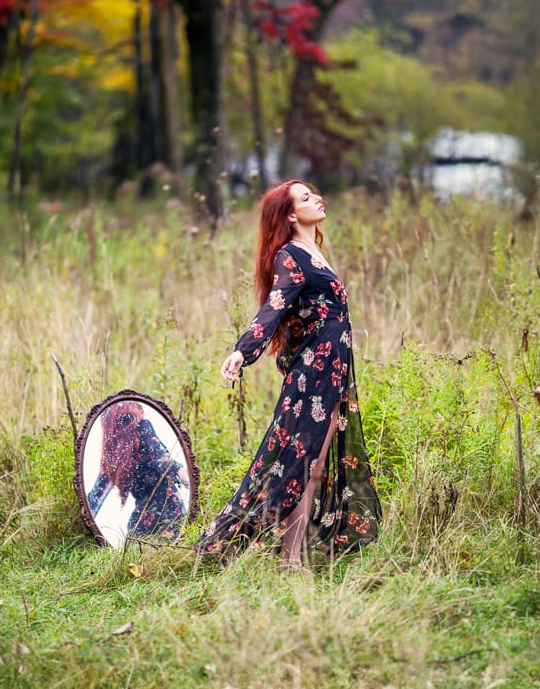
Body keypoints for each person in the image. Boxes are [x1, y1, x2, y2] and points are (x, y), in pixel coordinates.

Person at [194, 180, 381, 566]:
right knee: (302, 464)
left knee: (310, 469)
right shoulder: (290, 256)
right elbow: (274, 307)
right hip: (313, 374)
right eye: (307, 197)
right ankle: (284, 560)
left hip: (331, 369)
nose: (318, 198)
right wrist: (241, 352)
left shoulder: (314, 252)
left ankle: (291, 559)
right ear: (291, 215)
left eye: (315, 192)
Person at [85, 399, 187, 543]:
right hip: (144, 509)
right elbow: (97, 493)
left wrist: (179, 470)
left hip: (167, 504)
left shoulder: (142, 427)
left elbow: (160, 454)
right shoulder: (113, 451)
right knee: (134, 545)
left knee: (147, 546)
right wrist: (83, 517)